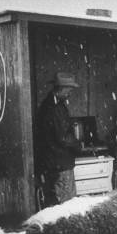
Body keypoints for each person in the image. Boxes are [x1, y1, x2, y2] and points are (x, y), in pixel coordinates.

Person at [35, 72, 82, 207]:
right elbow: (63, 137)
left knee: (56, 203)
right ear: (61, 89)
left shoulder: (49, 104)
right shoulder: (55, 108)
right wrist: (78, 146)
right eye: (69, 90)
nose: (70, 93)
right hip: (60, 164)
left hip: (52, 163)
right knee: (68, 205)